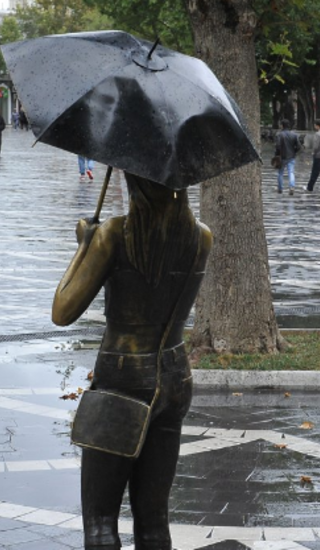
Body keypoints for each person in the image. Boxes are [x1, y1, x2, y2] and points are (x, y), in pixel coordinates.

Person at [52, 172, 212, 550]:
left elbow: (62, 311)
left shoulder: (114, 234)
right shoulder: (201, 237)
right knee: (154, 521)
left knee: (101, 524)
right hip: (174, 376)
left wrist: (85, 247)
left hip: (121, 379)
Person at [274, 119, 302, 195]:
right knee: (291, 172)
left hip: (281, 157)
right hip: (291, 157)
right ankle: (292, 187)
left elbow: (278, 146)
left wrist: (276, 155)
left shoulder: (279, 135)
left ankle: (280, 189)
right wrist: (294, 152)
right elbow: (299, 147)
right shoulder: (294, 135)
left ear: (282, 125)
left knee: (280, 173)